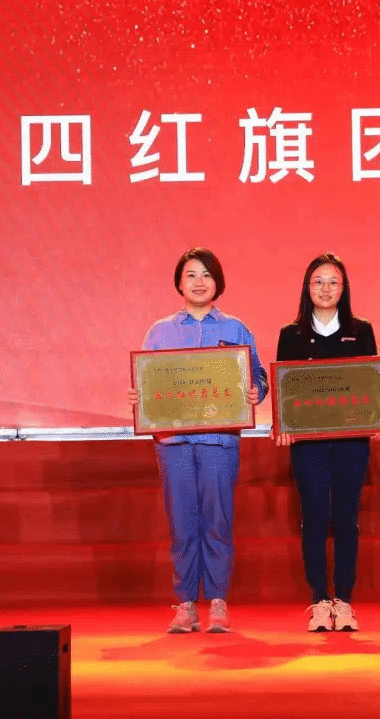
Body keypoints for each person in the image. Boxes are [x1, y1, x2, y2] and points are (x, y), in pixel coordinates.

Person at [129, 248, 268, 633]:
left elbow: (257, 375)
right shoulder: (160, 332)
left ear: (217, 282)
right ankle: (186, 603)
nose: (199, 282)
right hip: (173, 442)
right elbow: (147, 380)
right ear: (179, 282)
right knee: (182, 522)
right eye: (191, 274)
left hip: (219, 441)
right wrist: (139, 396)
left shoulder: (236, 329)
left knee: (218, 518)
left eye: (206, 274)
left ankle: (219, 601)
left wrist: (256, 391)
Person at [274, 252, 380, 632]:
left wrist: (376, 418)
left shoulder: (361, 330)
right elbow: (286, 389)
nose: (325, 288)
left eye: (333, 281)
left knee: (347, 517)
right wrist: (284, 423)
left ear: (344, 288)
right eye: (318, 281)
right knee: (315, 517)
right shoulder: (291, 335)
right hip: (309, 444)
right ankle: (320, 599)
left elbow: (369, 382)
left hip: (352, 441)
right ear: (307, 287)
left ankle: (345, 601)